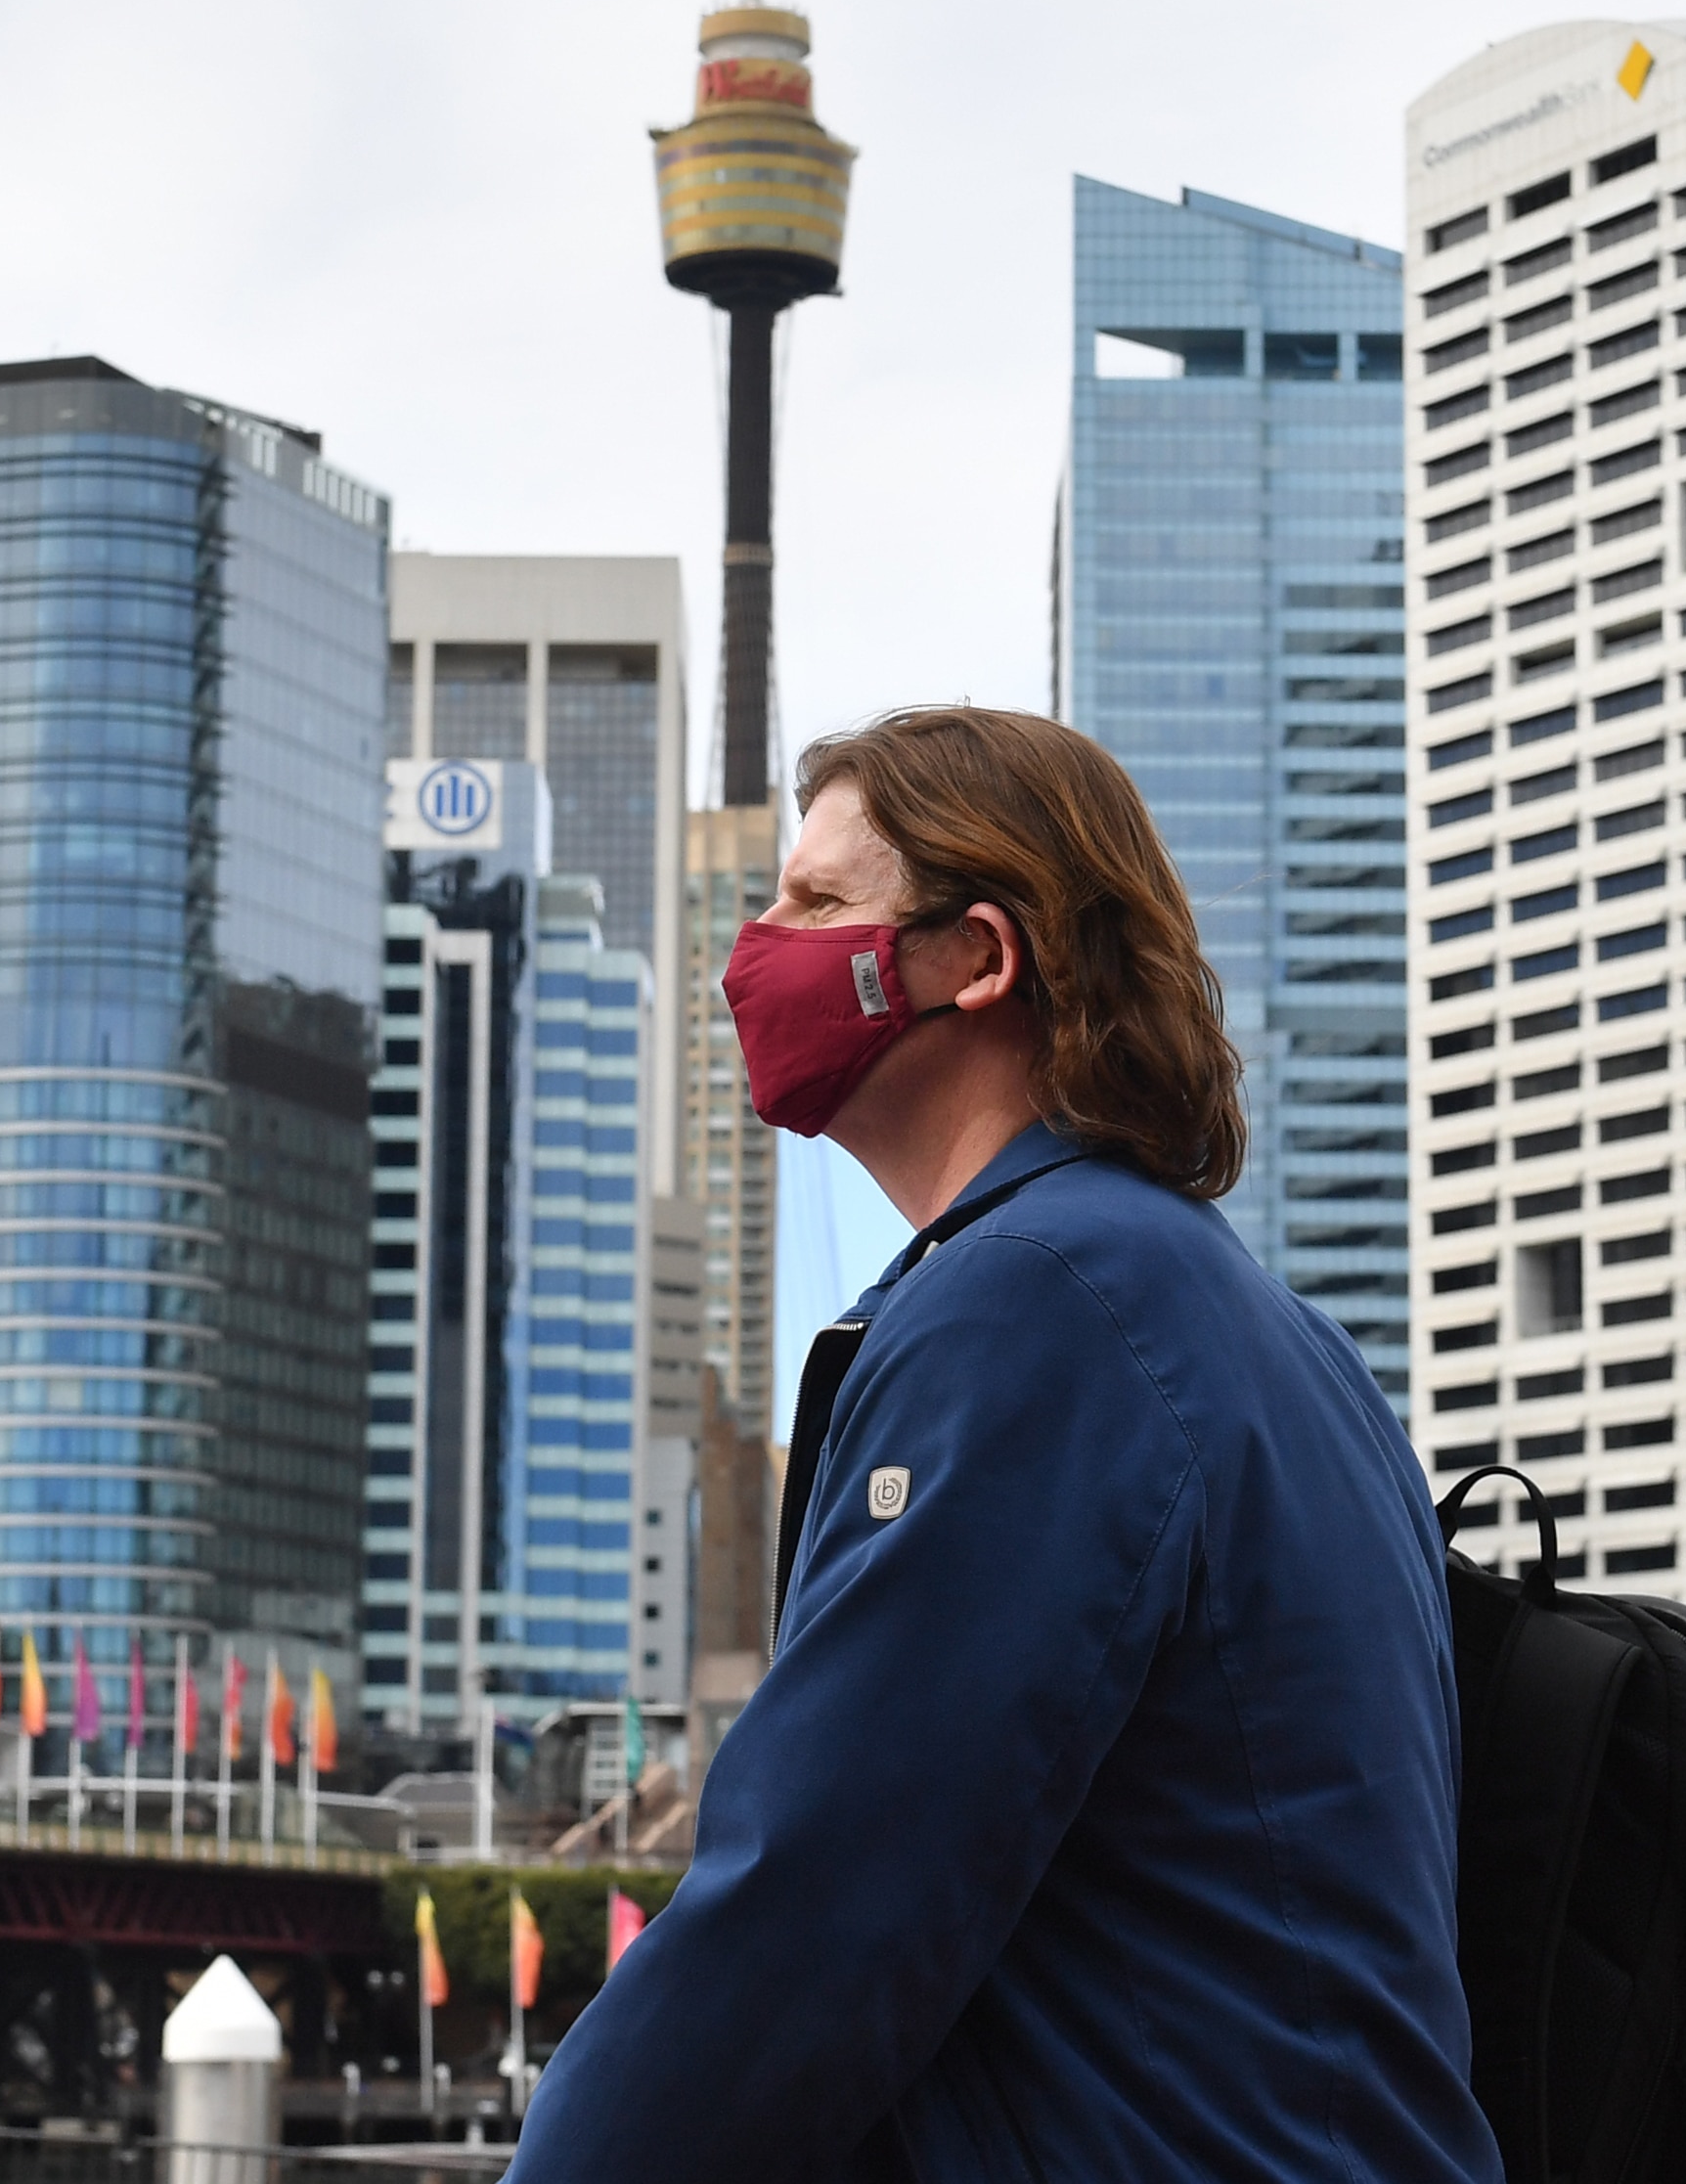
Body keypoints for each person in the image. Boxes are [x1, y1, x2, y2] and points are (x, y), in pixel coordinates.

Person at [510, 707, 1499, 2184]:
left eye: (818, 904)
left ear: (977, 958)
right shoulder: (1262, 1330)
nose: (754, 949)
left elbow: (819, 1908)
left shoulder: (1039, 1306)